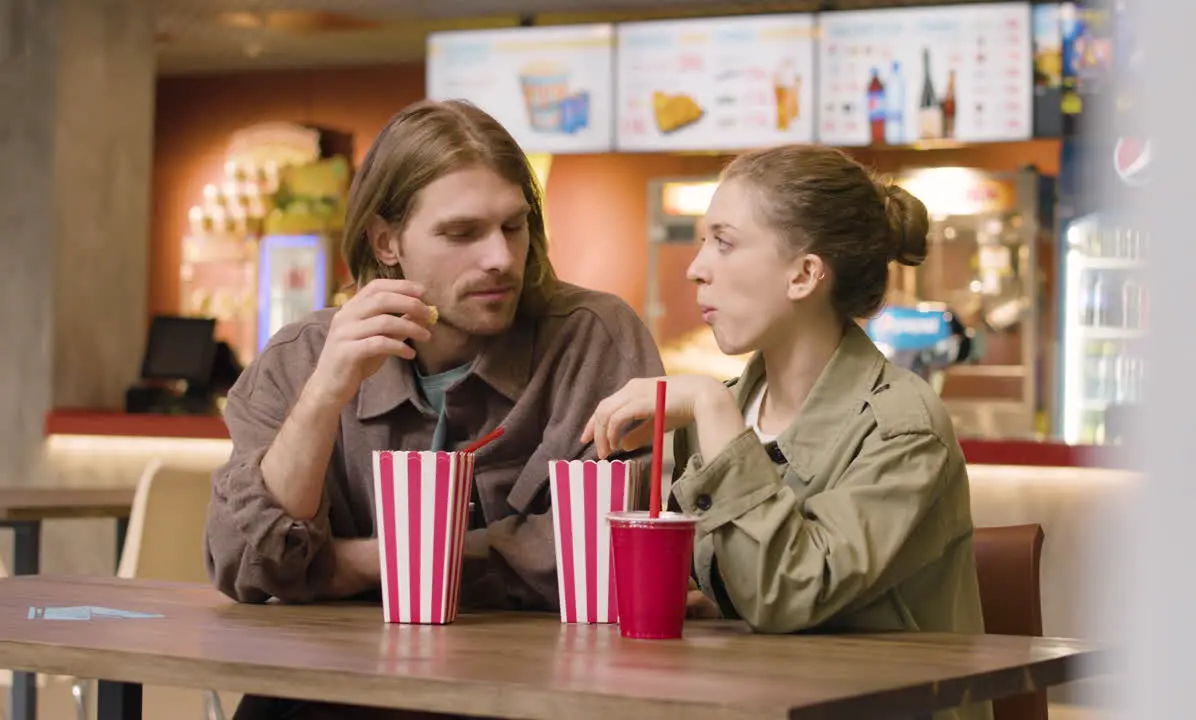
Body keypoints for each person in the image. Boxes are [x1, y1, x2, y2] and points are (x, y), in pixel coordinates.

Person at [205, 99, 663, 718]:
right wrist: (322, 397)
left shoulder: (593, 338)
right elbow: (243, 565)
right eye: (462, 232)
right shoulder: (303, 354)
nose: (500, 257)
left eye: (514, 226)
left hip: (530, 692)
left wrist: (357, 562)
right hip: (335, 690)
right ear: (386, 240)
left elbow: (612, 555)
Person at [583, 144, 991, 720]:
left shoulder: (904, 426)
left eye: (723, 242)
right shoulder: (719, 414)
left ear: (803, 274)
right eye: (703, 242)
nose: (696, 266)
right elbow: (742, 595)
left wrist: (709, 404)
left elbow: (789, 592)